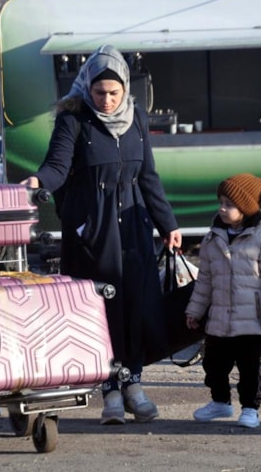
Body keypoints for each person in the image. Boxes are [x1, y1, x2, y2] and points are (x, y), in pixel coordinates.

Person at [22, 45, 182, 425]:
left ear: (125, 87)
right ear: (87, 87)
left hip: (134, 229)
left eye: (114, 93)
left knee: (136, 305)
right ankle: (109, 389)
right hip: (92, 234)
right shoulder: (73, 119)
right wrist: (37, 181)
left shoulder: (136, 117)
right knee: (101, 310)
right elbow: (57, 166)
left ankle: (134, 384)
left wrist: (168, 224)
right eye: (99, 92)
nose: (107, 101)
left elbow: (148, 175)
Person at [185, 173, 261, 429]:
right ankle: (220, 402)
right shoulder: (212, 239)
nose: (222, 208)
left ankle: (250, 409)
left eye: (229, 204)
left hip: (253, 321)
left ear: (247, 207)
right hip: (219, 319)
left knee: (250, 368)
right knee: (213, 365)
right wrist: (195, 311)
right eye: (221, 202)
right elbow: (204, 281)